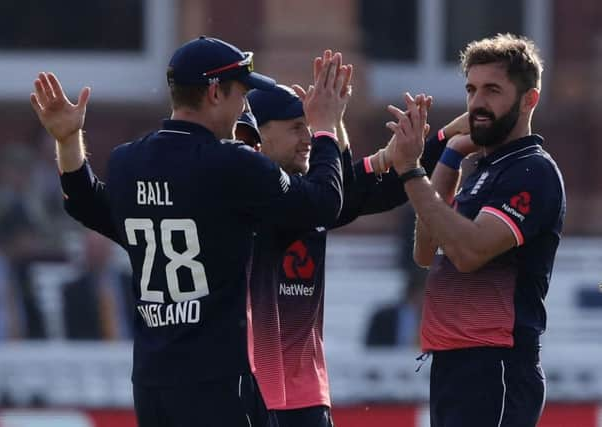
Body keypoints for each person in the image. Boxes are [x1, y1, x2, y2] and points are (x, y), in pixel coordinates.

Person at [31, 36, 351, 427]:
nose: (245, 107)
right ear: (215, 93)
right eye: (243, 94)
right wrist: (325, 130)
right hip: (217, 383)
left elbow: (85, 203)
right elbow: (321, 203)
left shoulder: (129, 159)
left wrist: (67, 142)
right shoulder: (233, 163)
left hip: (152, 383)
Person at [237, 50, 450, 427]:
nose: (307, 139)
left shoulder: (309, 195)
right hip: (254, 398)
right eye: (295, 127)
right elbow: (336, 194)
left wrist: (438, 142)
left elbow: (364, 193)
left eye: (308, 127)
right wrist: (328, 129)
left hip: (307, 399)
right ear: (257, 136)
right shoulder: (249, 195)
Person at [387, 34, 566, 427]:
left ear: (528, 100)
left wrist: (410, 170)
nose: (477, 103)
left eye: (492, 90)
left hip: (496, 363)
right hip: (455, 361)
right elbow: (425, 250)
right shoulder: (482, 169)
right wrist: (451, 155)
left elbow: (468, 253)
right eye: (471, 89)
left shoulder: (531, 170)